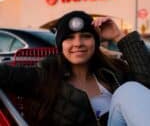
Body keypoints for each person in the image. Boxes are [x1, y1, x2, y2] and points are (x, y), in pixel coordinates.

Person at [0, 10, 150, 126]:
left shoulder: (113, 72)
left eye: (85, 36)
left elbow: (145, 87)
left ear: (95, 42)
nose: (78, 43)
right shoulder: (45, 76)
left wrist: (118, 35)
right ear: (60, 45)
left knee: (130, 90)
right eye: (69, 38)